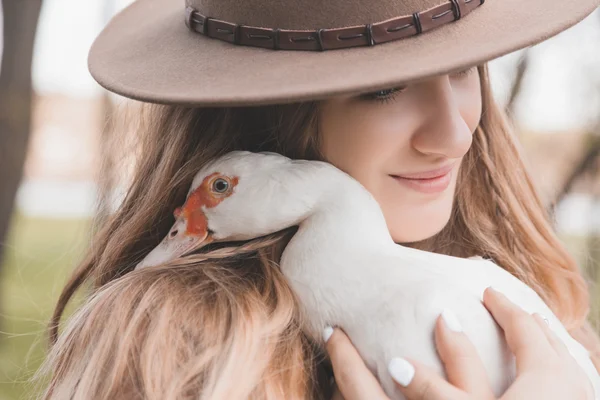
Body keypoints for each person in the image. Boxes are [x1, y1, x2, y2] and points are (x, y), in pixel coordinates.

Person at [38, 0, 600, 399]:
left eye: (461, 68)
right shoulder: (175, 351)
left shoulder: (537, 311)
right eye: (382, 89)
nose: (456, 135)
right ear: (268, 111)